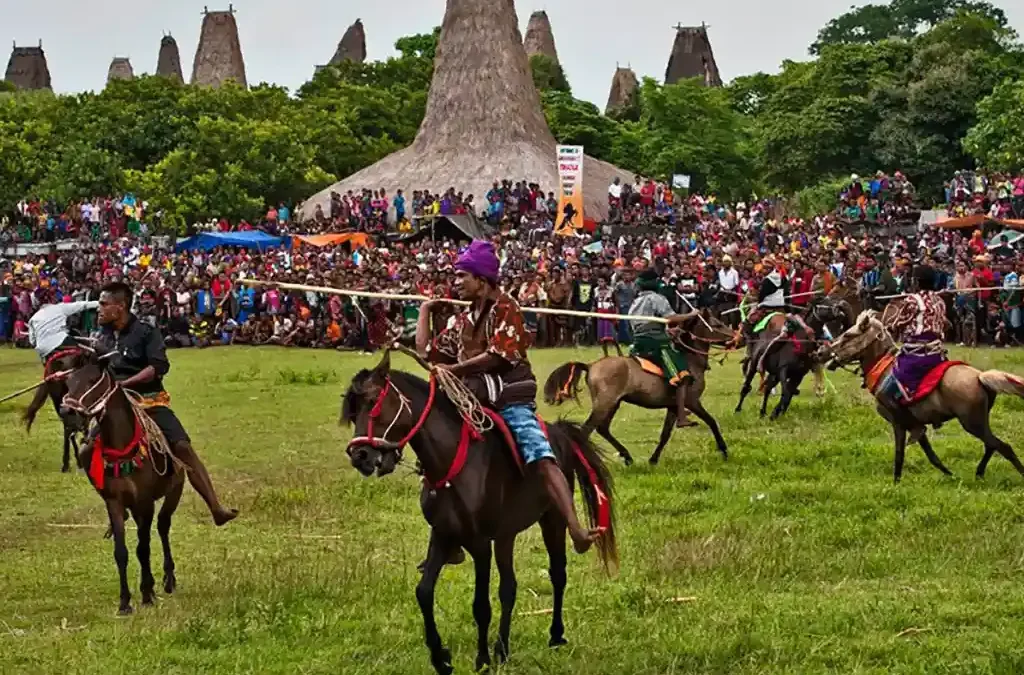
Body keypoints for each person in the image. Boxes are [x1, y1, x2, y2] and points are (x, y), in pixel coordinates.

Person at [416, 241, 602, 554]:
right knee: (437, 453)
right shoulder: (464, 319)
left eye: (462, 276)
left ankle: (576, 529)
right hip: (472, 401)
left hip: (509, 399)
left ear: (483, 280)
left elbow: (498, 356)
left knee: (540, 455)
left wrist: (456, 370)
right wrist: (425, 310)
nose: (456, 283)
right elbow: (427, 353)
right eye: (455, 277)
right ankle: (447, 536)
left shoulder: (507, 306)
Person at [95, 282, 237, 526]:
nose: (99, 308)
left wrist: (125, 384)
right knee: (89, 450)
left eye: (104, 304)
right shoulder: (102, 336)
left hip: (148, 401)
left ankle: (215, 507)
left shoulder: (146, 333)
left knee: (182, 447)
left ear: (120, 307)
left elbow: (158, 367)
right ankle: (114, 505)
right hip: (114, 407)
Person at [628, 268, 697, 428]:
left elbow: (643, 324)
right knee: (682, 374)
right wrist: (691, 315)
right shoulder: (657, 298)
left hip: (638, 340)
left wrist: (666, 330)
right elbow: (670, 317)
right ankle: (681, 417)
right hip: (656, 342)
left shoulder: (636, 302)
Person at [878, 265, 949, 411]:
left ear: (916, 282)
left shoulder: (912, 300)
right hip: (937, 355)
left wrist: (889, 327)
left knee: (884, 394)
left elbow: (898, 324)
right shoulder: (940, 301)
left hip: (916, 357)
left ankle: (911, 423)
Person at [28, 298, 99, 362]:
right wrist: (100, 303)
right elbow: (81, 305)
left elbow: (32, 341)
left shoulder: (33, 319)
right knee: (89, 352)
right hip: (60, 341)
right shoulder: (59, 308)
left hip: (43, 350)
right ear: (51, 300)